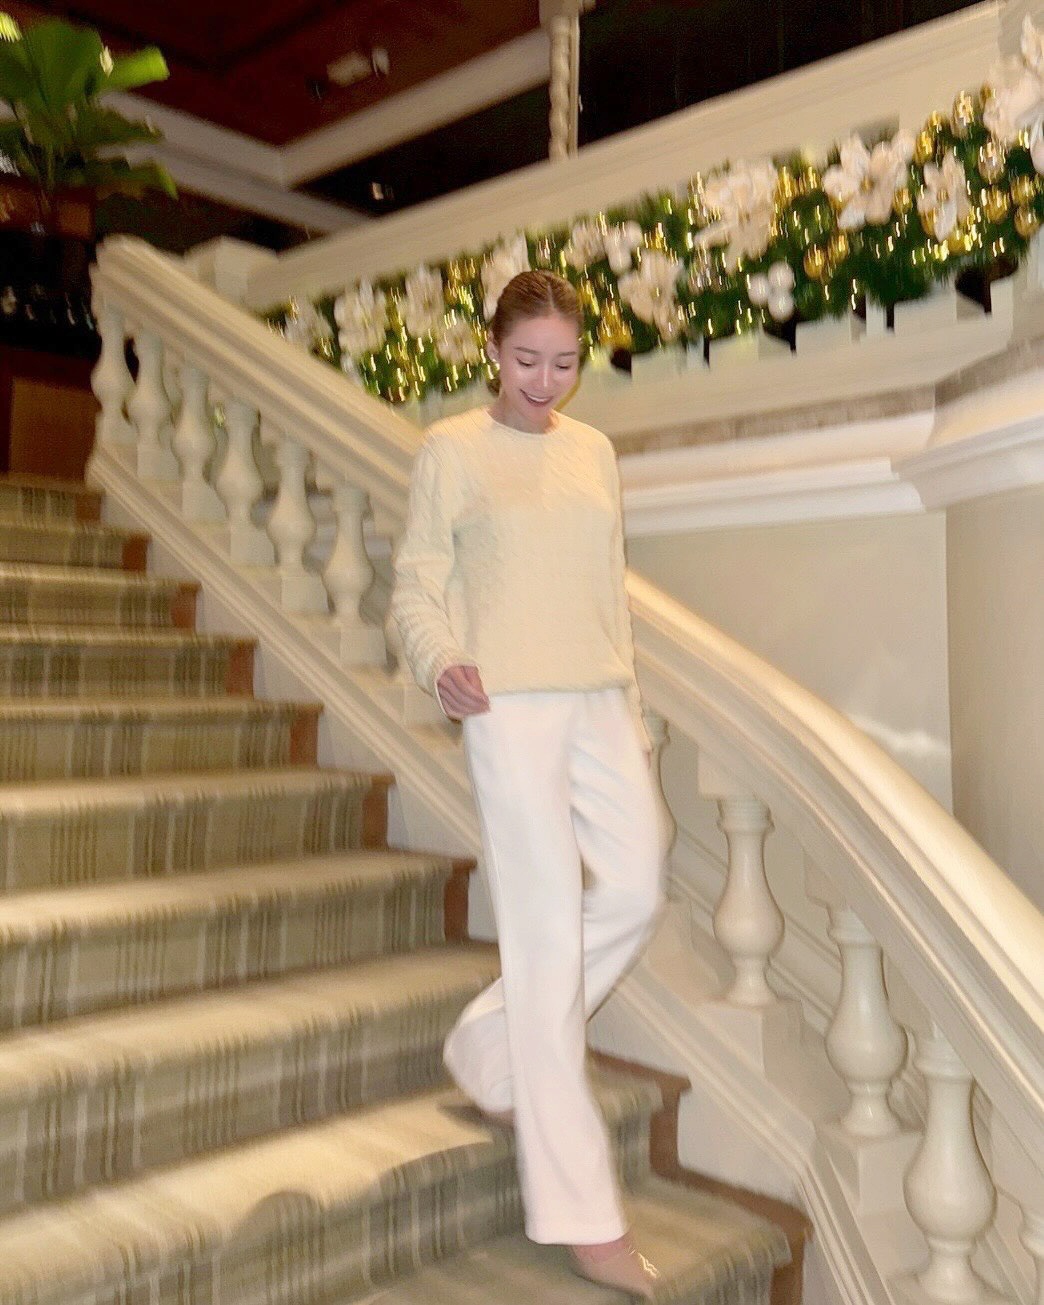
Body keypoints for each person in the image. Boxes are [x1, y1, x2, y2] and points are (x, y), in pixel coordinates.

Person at [390, 269, 664, 1297]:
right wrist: (440, 661)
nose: (546, 381)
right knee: (546, 941)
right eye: (526, 361)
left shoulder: (593, 453)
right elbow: (416, 583)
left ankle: (487, 1047)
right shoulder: (452, 450)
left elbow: (607, 591)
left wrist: (633, 715)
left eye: (564, 362)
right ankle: (585, 1214)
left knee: (638, 884)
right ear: (493, 351)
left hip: (598, 697)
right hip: (506, 706)